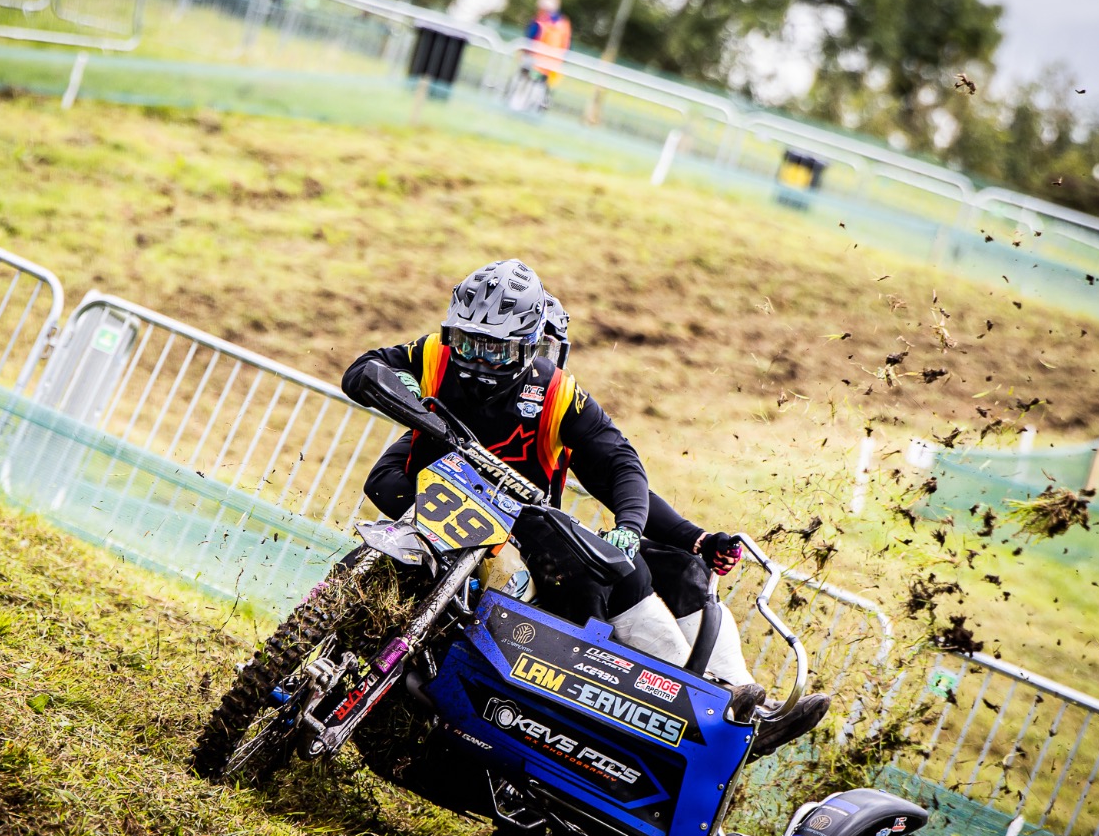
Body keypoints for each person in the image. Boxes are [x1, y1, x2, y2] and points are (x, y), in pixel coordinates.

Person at [343, 261, 826, 756]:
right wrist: (407, 406)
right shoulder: (433, 370)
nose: (483, 362)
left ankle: (726, 706)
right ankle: (706, 706)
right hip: (450, 530)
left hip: (529, 541)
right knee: (610, 571)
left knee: (671, 568)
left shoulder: (558, 398)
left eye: (502, 348)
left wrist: (683, 536)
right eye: (470, 344)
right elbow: (371, 412)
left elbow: (618, 470)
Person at [512, 0, 572, 112]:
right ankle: (533, 110)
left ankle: (518, 109)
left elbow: (529, 39)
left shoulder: (540, 21)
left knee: (524, 88)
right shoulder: (564, 24)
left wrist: (523, 53)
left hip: (534, 62)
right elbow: (567, 46)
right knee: (539, 92)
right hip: (551, 66)